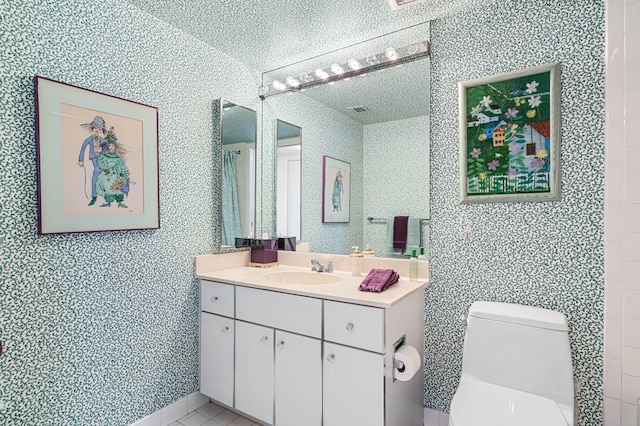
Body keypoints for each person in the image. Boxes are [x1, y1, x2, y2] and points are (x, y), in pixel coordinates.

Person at [95, 127, 130, 208]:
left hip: (116, 175)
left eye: (112, 146)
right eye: (109, 146)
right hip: (107, 175)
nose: (111, 147)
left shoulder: (117, 158)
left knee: (118, 188)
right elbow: (101, 163)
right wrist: (106, 170)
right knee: (107, 187)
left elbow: (122, 166)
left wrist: (122, 173)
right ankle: (108, 202)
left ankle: (120, 203)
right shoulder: (104, 156)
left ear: (115, 147)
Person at [77, 116, 107, 206]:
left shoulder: (102, 140)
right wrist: (81, 160)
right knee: (97, 171)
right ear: (93, 128)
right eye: (95, 128)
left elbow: (106, 150)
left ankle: (105, 194)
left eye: (99, 128)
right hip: (94, 157)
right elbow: (83, 147)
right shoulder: (90, 139)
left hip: (102, 158)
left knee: (104, 174)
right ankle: (94, 196)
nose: (97, 130)